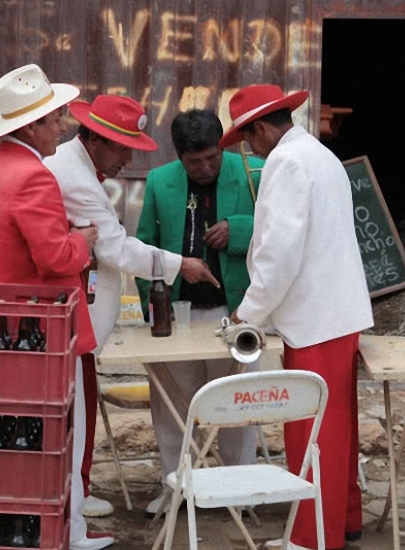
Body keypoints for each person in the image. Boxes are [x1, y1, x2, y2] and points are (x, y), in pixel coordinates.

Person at [44, 96, 220, 519]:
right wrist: (181, 265)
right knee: (75, 416)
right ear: (98, 139)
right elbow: (117, 250)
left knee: (79, 410)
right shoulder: (75, 177)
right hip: (74, 318)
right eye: (123, 148)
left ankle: (77, 491)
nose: (127, 158)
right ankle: (73, 499)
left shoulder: (80, 169)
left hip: (81, 321)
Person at [222, 84, 374, 550]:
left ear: (263, 128)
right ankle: (344, 520)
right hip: (336, 312)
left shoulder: (286, 162)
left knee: (311, 433)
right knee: (338, 429)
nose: (249, 149)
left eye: (249, 139)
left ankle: (311, 538)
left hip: (313, 317)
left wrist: (246, 313)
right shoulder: (319, 154)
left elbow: (278, 255)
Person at [0, 64, 113, 550]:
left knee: (18, 439)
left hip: (5, 328)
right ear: (31, 126)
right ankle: (66, 532)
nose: (64, 126)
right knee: (59, 438)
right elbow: (55, 257)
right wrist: (82, 240)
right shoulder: (34, 176)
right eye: (56, 119)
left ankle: (32, 531)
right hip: (40, 330)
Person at [134, 109, 264, 517]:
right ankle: (174, 488)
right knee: (171, 407)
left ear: (223, 146)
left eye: (212, 157)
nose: (206, 168)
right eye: (195, 162)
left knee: (238, 407)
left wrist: (239, 229)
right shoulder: (159, 181)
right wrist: (155, 316)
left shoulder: (253, 171)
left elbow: (283, 231)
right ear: (179, 157)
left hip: (238, 313)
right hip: (178, 314)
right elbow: (144, 246)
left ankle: (238, 491)